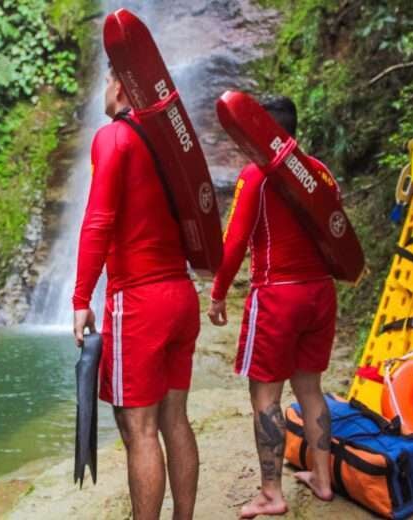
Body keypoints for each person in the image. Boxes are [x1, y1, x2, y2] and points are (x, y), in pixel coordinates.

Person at [72, 66, 201, 520]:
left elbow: (98, 221)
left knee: (139, 428)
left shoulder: (113, 138)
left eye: (106, 82)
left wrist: (80, 299)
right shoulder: (170, 144)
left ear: (122, 85)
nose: (102, 92)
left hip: (140, 302)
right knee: (174, 418)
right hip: (182, 295)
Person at [207, 96, 338, 518]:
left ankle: (270, 493)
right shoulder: (320, 172)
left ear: (265, 132)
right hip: (320, 294)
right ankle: (322, 479)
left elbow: (233, 244)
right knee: (310, 389)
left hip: (277, 297)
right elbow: (338, 234)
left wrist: (217, 293)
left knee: (265, 395)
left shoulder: (257, 176)